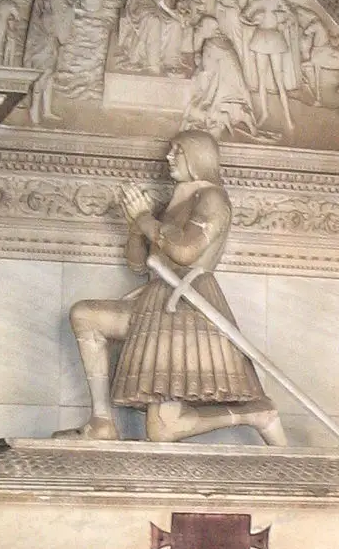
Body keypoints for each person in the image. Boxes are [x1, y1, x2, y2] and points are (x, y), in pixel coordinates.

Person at [60, 130, 286, 444]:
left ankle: (257, 413)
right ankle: (101, 421)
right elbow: (137, 264)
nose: (168, 158)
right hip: (155, 298)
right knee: (84, 315)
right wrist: (136, 227)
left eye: (176, 152)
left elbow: (186, 251)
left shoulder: (210, 197)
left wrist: (144, 219)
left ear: (196, 159)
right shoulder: (174, 204)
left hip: (186, 304)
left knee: (163, 429)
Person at [239, 0, 300, 130]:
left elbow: (292, 14)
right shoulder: (254, 0)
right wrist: (252, 21)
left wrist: (282, 19)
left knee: (279, 79)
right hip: (260, 37)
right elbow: (242, 16)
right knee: (261, 78)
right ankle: (264, 113)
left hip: (274, 37)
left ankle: (287, 116)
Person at [23, 0, 79, 124]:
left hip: (51, 35)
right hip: (45, 36)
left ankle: (46, 110)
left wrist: (70, 5)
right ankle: (34, 109)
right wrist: (73, 8)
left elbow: (60, 6)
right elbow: (57, 10)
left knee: (51, 73)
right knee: (44, 72)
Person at [181, 16, 259, 138]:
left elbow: (207, 70)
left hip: (220, 92)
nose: (199, 30)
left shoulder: (210, 44)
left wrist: (197, 62)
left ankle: (220, 118)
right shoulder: (225, 41)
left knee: (195, 107)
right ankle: (241, 115)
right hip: (239, 91)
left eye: (201, 27)